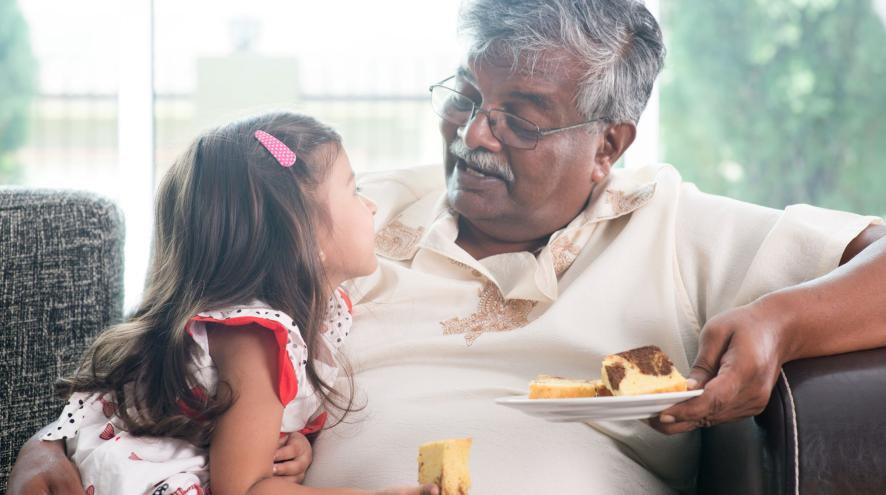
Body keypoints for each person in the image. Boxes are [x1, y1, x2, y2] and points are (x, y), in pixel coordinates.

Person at [11, 0, 886, 493]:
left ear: (610, 143)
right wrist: (54, 446)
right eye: (466, 97)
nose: (474, 135)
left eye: (521, 119)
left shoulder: (676, 224)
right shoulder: (341, 218)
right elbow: (172, 348)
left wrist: (783, 321)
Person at [9, 112, 436, 495]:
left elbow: (243, 440)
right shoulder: (257, 337)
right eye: (354, 189)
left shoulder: (290, 325)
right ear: (303, 232)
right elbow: (244, 487)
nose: (371, 206)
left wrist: (294, 446)